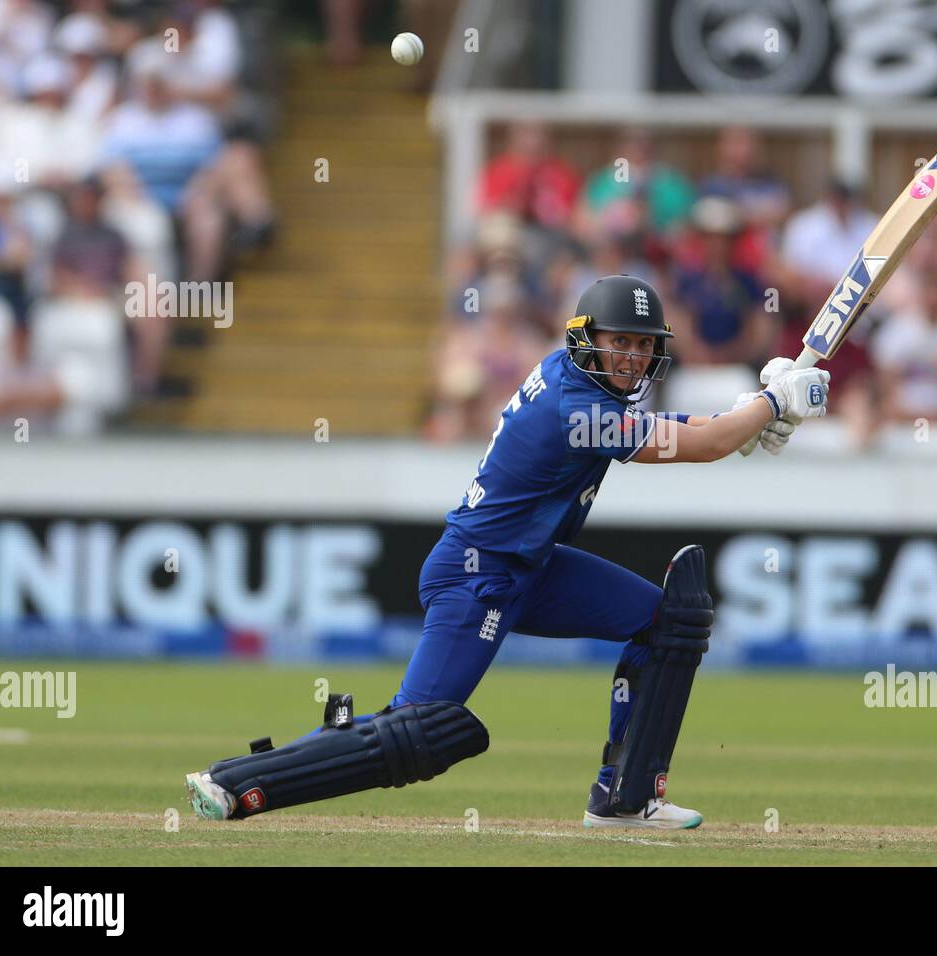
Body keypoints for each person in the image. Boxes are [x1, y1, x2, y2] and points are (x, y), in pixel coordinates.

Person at [184, 275, 830, 828]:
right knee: (421, 731)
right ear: (588, 341)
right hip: (479, 575)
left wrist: (751, 411)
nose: (632, 357)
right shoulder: (578, 410)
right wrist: (772, 403)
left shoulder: (573, 378)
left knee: (669, 621)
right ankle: (238, 781)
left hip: (533, 566)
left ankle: (624, 798)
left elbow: (699, 433)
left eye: (641, 345)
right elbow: (708, 444)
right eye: (619, 343)